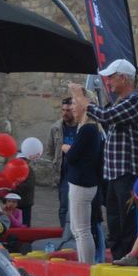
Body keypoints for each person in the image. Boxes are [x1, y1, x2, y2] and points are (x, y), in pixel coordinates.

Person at [78, 58, 138, 259]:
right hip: (115, 172)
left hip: (129, 171)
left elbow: (106, 117)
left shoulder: (135, 100)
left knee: (126, 220)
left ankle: (129, 258)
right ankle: (119, 257)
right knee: (113, 218)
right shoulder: (124, 101)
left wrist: (85, 102)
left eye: (111, 77)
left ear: (123, 78)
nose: (108, 82)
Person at [62, 91, 104, 264]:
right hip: (82, 182)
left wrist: (66, 148)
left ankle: (86, 267)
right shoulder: (89, 127)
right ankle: (84, 265)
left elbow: (73, 156)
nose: (72, 107)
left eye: (74, 103)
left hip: (82, 183)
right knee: (77, 228)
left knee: (82, 230)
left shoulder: (88, 128)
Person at [47, 96, 78, 228]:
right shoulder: (55, 128)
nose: (65, 113)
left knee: (79, 206)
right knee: (64, 206)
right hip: (64, 172)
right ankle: (63, 232)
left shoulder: (82, 126)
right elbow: (50, 150)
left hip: (79, 170)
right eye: (63, 110)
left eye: (68, 110)